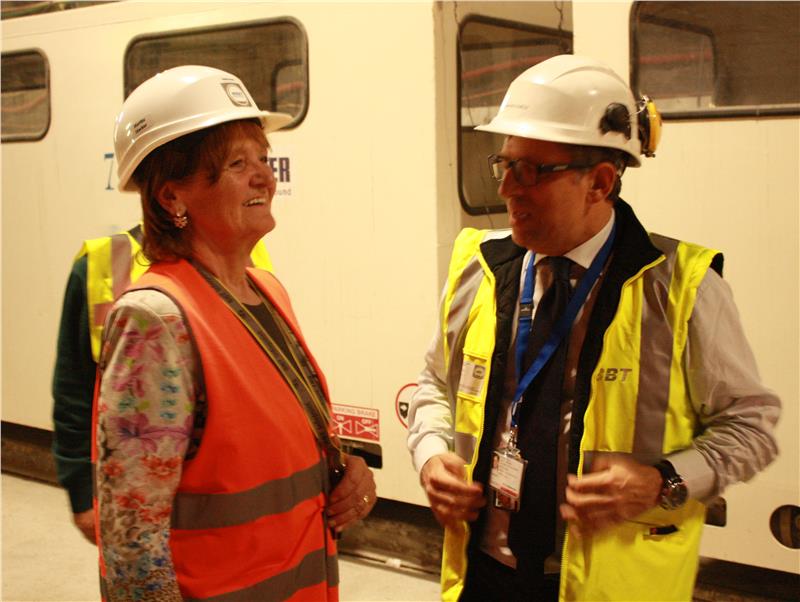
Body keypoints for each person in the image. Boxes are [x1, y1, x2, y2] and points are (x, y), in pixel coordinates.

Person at [407, 54, 780, 602]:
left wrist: (664, 482)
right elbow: (434, 386)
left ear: (600, 182)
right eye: (504, 164)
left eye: (530, 170)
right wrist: (431, 454)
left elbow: (750, 428)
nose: (507, 188)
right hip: (483, 577)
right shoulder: (478, 266)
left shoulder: (682, 288)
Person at [93, 65, 376, 601]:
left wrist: (345, 471)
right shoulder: (157, 323)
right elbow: (133, 547)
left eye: (264, 159)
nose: (265, 177)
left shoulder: (266, 291)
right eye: (237, 164)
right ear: (171, 197)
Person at [52, 222, 272, 544]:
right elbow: (74, 388)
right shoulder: (104, 264)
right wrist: (82, 493)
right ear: (169, 197)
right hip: (146, 500)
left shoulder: (251, 256)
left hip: (238, 490)